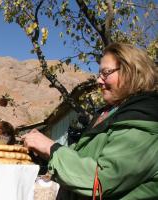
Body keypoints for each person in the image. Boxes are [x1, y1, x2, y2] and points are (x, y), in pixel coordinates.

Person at [22, 43, 158, 199]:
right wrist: (43, 154)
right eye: (99, 74)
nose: (99, 81)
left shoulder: (146, 117)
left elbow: (103, 180)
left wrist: (51, 149)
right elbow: (84, 158)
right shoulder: (108, 112)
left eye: (106, 73)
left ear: (132, 72)